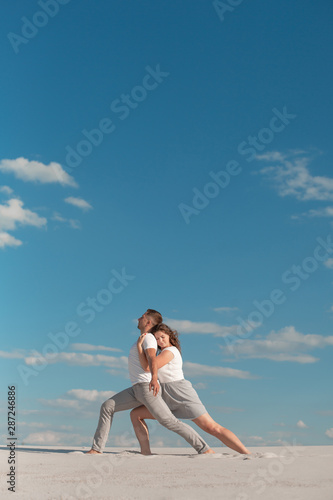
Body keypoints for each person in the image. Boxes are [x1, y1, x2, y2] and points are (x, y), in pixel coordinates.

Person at [86, 310, 213, 455]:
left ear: (148, 322)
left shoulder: (149, 339)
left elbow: (152, 358)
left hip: (146, 388)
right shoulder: (143, 338)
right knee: (107, 406)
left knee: (169, 422)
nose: (138, 318)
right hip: (136, 389)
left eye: (142, 317)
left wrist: (153, 378)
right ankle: (98, 449)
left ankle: (205, 449)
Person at [130, 323, 251, 456]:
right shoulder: (162, 352)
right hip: (164, 395)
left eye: (162, 337)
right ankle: (146, 452)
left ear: (170, 335)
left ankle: (246, 453)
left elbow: (147, 367)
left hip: (181, 393)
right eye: (157, 339)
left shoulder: (171, 351)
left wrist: (139, 348)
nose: (160, 341)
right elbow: (147, 366)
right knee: (136, 414)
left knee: (212, 427)